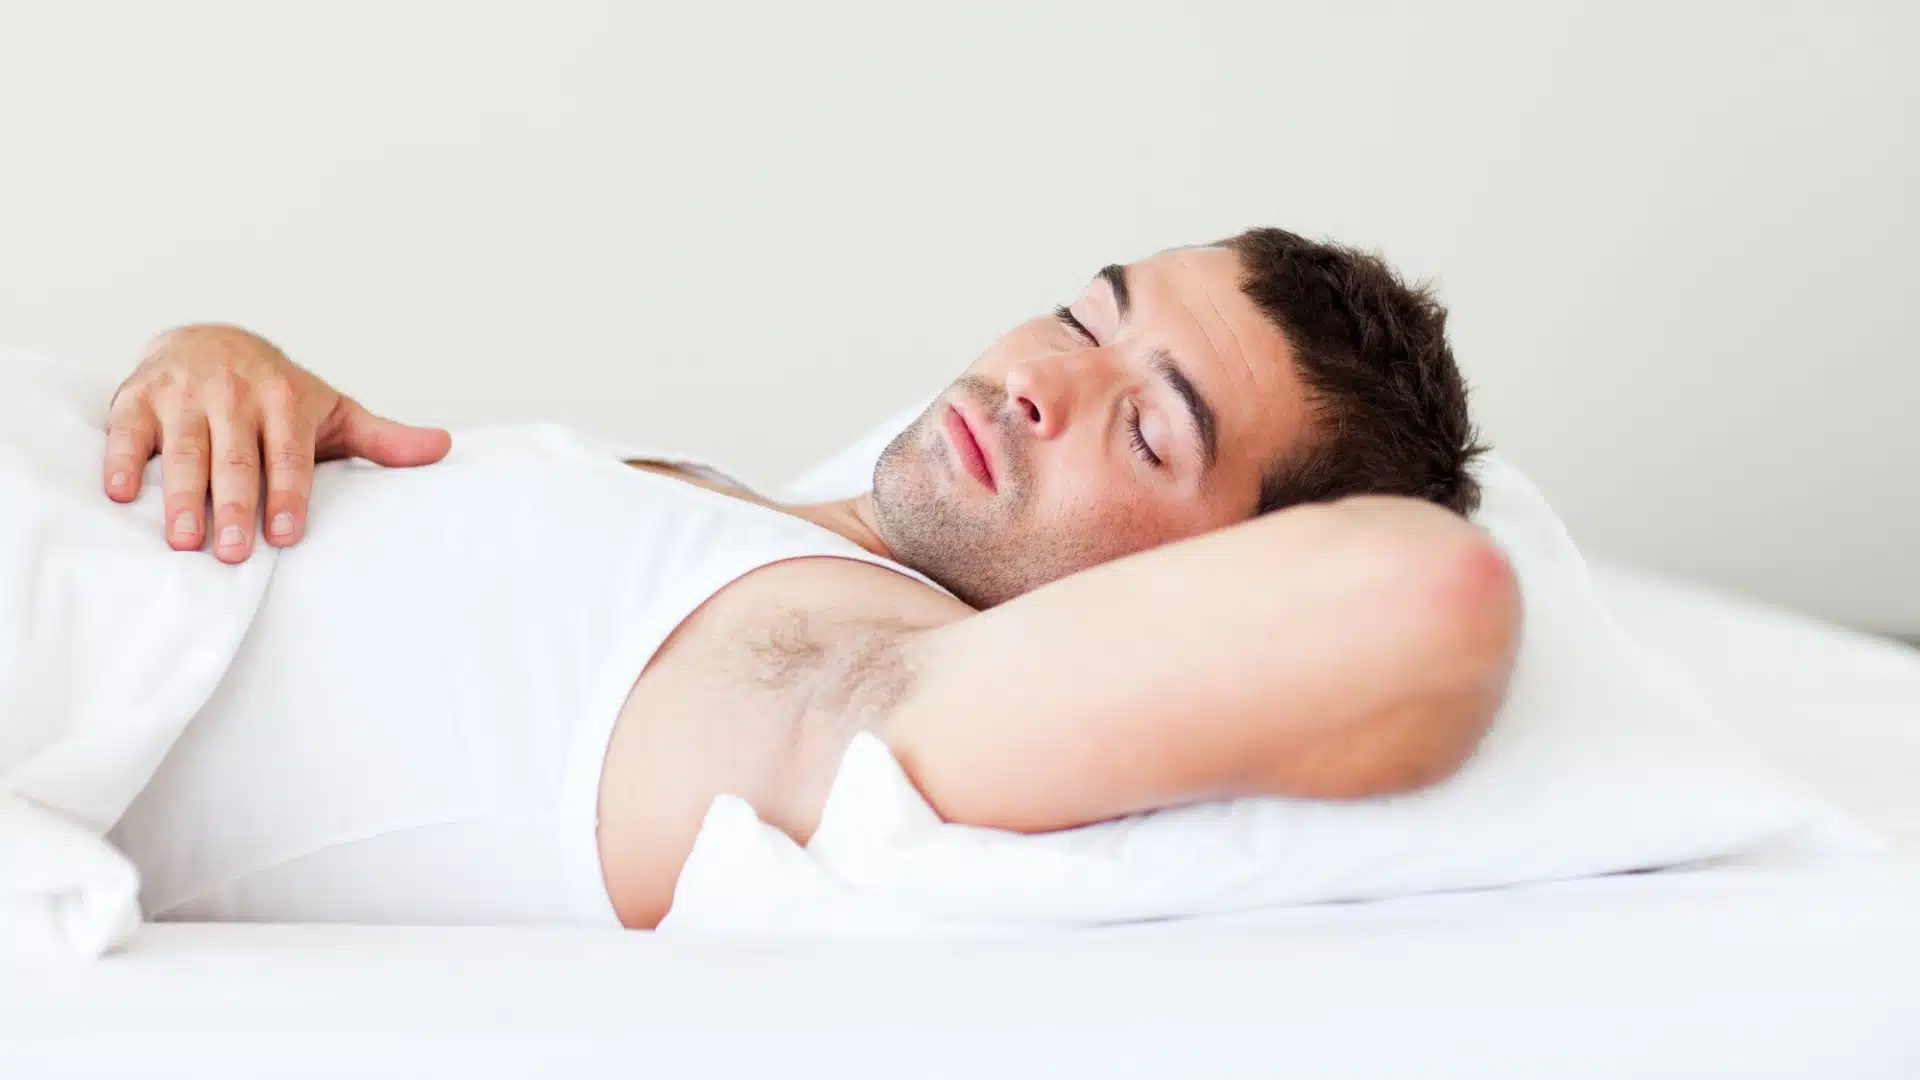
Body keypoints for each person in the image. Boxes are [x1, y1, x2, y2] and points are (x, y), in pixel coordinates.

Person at [99, 228, 1521, 930]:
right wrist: (211, 361)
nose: (1045, 382)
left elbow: (1426, 605)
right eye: (1086, 318)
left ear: (1218, 581)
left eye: (1149, 430)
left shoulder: (847, 670)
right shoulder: (733, 509)